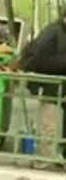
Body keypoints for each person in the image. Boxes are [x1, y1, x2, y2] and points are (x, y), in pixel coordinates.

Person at [16, 10, 66, 158]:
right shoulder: (53, 32)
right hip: (52, 87)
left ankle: (59, 156)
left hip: (60, 87)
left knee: (54, 124)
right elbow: (39, 58)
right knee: (48, 125)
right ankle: (42, 160)